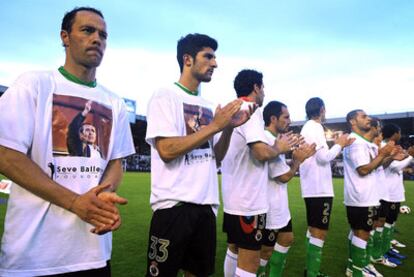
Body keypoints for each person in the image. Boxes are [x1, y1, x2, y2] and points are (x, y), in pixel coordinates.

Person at [0, 7, 135, 276]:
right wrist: (75, 202)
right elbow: (5, 154)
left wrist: (100, 203)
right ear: (65, 37)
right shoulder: (34, 84)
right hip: (34, 256)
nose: (97, 38)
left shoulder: (115, 102)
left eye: (103, 35)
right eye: (87, 30)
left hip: (93, 252)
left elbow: (116, 162)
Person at [145, 33, 252, 277]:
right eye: (208, 56)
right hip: (174, 206)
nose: (215, 63)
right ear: (188, 59)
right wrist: (215, 125)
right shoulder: (165, 95)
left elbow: (216, 157)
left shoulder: (207, 103)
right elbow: (166, 150)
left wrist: (227, 129)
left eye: (215, 58)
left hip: (205, 206)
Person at [221, 69, 298, 277]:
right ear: (256, 87)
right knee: (250, 262)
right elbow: (262, 153)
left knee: (235, 250)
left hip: (236, 198)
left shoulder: (235, 108)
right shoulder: (250, 111)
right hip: (247, 202)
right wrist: (281, 148)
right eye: (263, 87)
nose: (264, 92)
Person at [257, 101, 316, 277]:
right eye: (286, 117)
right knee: (265, 251)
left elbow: (280, 169)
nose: (289, 121)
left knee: (286, 238)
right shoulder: (267, 140)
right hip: (269, 206)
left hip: (279, 205)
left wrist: (297, 158)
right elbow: (283, 177)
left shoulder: (276, 141)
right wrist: (298, 161)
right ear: (273, 118)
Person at [299, 97, 354, 277]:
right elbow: (324, 157)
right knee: (319, 232)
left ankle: (311, 272)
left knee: (313, 230)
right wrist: (340, 145)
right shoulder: (315, 127)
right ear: (322, 109)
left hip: (311, 187)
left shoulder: (307, 127)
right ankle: (313, 273)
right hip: (319, 188)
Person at [343, 110, 396, 277]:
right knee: (362, 233)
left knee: (359, 232)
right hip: (361, 197)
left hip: (366, 196)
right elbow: (363, 169)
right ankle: (358, 271)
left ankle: (355, 267)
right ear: (353, 121)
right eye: (363, 116)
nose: (368, 119)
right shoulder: (357, 143)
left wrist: (388, 156)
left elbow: (375, 167)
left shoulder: (363, 142)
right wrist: (383, 154)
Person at [379, 124, 414, 264]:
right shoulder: (384, 147)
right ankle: (381, 251)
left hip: (395, 190)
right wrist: (410, 157)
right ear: (395, 133)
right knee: (384, 222)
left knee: (391, 220)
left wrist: (408, 157)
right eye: (399, 132)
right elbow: (395, 166)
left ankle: (386, 248)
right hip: (387, 191)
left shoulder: (392, 146)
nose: (400, 134)